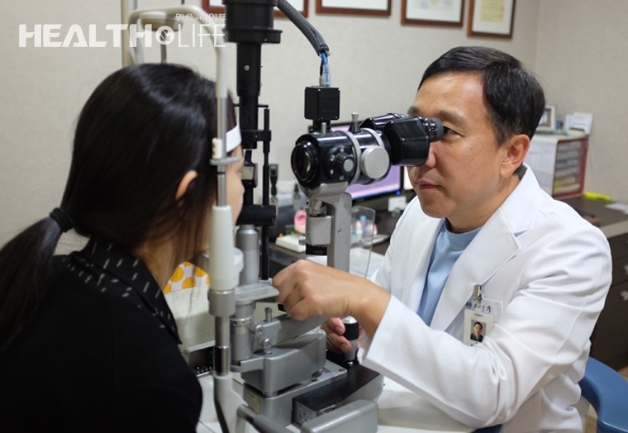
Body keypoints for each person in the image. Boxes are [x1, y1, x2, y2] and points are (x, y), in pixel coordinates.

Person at [272, 46, 612, 431]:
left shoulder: (572, 249)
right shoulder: (419, 215)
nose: (421, 157)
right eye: (417, 130)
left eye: (445, 133)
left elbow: (493, 393)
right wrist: (348, 328)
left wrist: (364, 299)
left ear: (512, 152)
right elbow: (383, 326)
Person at [0, 63, 244, 431]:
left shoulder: (37, 278)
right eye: (239, 172)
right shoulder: (154, 384)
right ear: (186, 194)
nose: (243, 189)